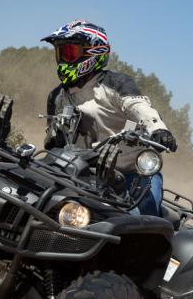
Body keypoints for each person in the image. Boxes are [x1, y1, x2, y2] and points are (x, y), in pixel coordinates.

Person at [41, 20, 177, 216]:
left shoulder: (115, 83)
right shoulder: (57, 96)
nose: (63, 59)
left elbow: (138, 106)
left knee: (141, 220)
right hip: (83, 172)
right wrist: (54, 139)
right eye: (60, 53)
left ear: (94, 52)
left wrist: (158, 129)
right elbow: (52, 139)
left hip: (131, 174)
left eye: (69, 52)